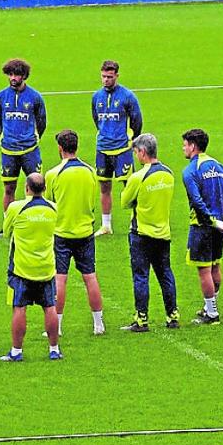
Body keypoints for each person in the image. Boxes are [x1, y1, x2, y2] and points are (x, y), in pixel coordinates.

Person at [45, 130, 104, 337]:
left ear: (60, 148)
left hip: (62, 232)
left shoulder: (53, 174)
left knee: (60, 279)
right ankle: (99, 324)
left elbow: (50, 202)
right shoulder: (90, 171)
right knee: (90, 277)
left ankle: (57, 326)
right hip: (86, 231)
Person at [0, 172, 61, 361]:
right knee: (50, 307)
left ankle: (17, 351)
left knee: (19, 307)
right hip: (46, 267)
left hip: (22, 269)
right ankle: (54, 349)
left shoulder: (16, 208)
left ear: (27, 188)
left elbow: (6, 232)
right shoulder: (54, 208)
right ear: (44, 189)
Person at [121, 133, 178, 332]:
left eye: (136, 152)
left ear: (143, 152)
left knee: (141, 276)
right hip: (163, 232)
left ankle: (141, 319)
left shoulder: (138, 177)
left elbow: (124, 201)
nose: (136, 156)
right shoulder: (169, 173)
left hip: (141, 233)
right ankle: (172, 315)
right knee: (165, 274)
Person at [180, 129, 223, 326]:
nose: (183, 148)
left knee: (204, 270)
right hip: (220, 227)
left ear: (193, 146)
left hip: (202, 226)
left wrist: (212, 221)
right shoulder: (219, 166)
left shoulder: (190, 171)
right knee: (215, 265)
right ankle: (210, 306)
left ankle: (211, 313)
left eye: (185, 144)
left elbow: (197, 201)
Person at [0, 58, 47, 234]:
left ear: (24, 76)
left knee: (36, 188)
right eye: (10, 74)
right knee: (9, 188)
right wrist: (4, 137)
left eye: (16, 74)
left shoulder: (35, 97)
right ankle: (8, 224)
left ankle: (38, 221)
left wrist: (32, 137)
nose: (13, 78)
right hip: (8, 151)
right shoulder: (1, 97)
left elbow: (42, 122)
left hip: (30, 151)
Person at [90, 60, 143, 237]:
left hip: (122, 149)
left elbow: (137, 121)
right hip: (102, 148)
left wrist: (130, 139)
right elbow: (96, 120)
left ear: (117, 76)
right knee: (104, 186)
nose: (106, 80)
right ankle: (106, 225)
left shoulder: (127, 96)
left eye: (110, 77)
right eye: (104, 76)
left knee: (130, 186)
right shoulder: (96, 97)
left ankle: (136, 221)